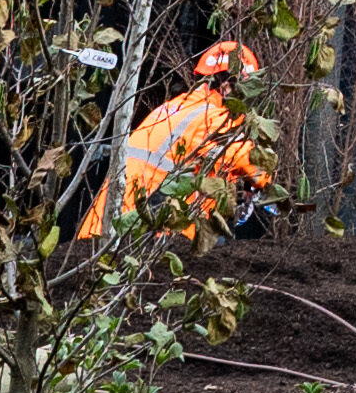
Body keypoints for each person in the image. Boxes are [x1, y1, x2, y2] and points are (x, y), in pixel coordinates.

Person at [83, 40, 279, 243]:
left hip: (109, 225)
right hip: (146, 230)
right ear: (227, 86)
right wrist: (271, 190)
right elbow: (245, 157)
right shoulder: (210, 116)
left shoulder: (174, 108)